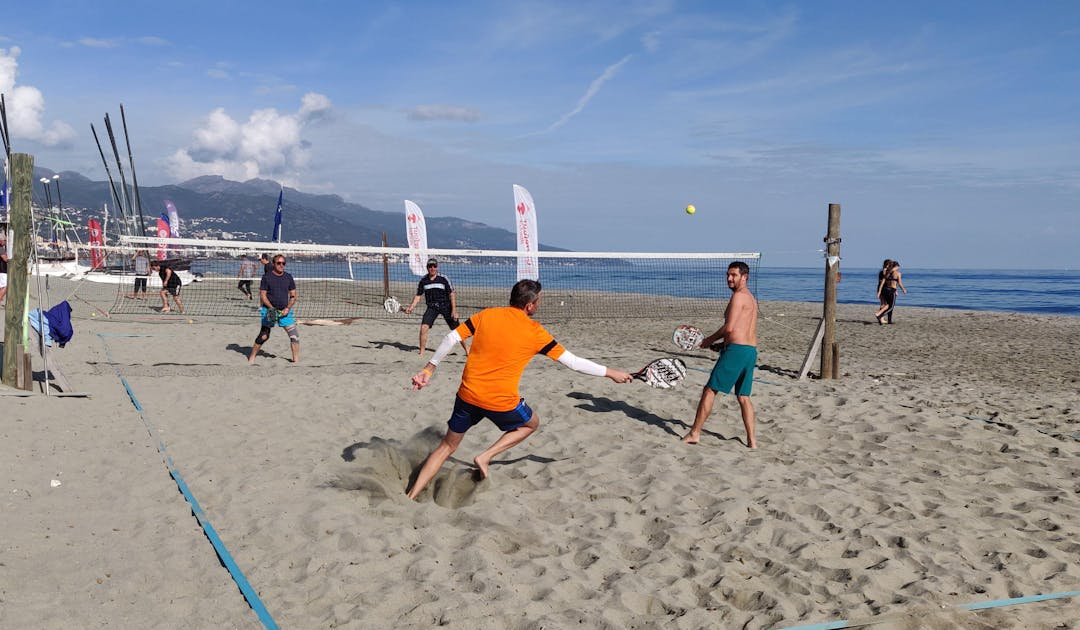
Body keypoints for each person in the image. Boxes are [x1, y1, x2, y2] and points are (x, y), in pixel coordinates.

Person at [407, 279, 633, 500]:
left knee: (447, 446)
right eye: (539, 301)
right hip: (500, 401)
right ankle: (485, 456)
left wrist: (428, 369)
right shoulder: (536, 332)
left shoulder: (487, 315)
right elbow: (573, 362)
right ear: (530, 306)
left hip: (468, 395)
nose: (539, 304)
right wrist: (611, 372)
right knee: (531, 423)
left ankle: (412, 495)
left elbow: (450, 337)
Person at [682, 261, 759, 448]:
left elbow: (730, 327)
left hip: (738, 350)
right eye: (728, 275)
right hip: (750, 351)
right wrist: (722, 345)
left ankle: (695, 433)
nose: (729, 278)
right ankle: (752, 441)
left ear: (744, 277)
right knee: (743, 396)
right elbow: (739, 329)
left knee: (710, 390)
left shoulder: (739, 297)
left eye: (733, 275)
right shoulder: (751, 298)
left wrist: (708, 340)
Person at [404, 258, 467, 357]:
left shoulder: (443, 279)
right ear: (427, 268)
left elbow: (452, 294)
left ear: (437, 267)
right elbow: (418, 296)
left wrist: (454, 310)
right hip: (432, 307)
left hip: (446, 306)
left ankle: (467, 349)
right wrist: (411, 307)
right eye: (430, 266)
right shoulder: (424, 281)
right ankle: (422, 351)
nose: (432, 268)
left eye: (434, 266)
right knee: (424, 327)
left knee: (457, 330)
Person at [248, 254, 299, 364]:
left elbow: (293, 296)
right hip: (269, 310)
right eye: (279, 263)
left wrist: (288, 308)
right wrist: (272, 309)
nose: (281, 265)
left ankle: (296, 362)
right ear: (274, 264)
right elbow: (263, 296)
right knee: (264, 336)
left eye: (283, 263)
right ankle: (251, 358)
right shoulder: (267, 277)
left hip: (285, 311)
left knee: (294, 336)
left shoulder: (288, 277)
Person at [874, 260, 907, 324]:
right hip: (891, 291)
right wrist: (903, 289)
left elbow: (883, 281)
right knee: (891, 306)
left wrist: (879, 291)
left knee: (888, 305)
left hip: (885, 289)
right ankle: (880, 315)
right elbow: (899, 283)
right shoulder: (898, 273)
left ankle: (889, 320)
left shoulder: (887, 273)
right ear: (896, 267)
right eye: (898, 267)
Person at [0, 238, 8, 307]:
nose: (5, 242)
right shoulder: (1, 248)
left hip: (1, 270)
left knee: (1, 286)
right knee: (6, 286)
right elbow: (5, 258)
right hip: (2, 270)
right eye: (5, 240)